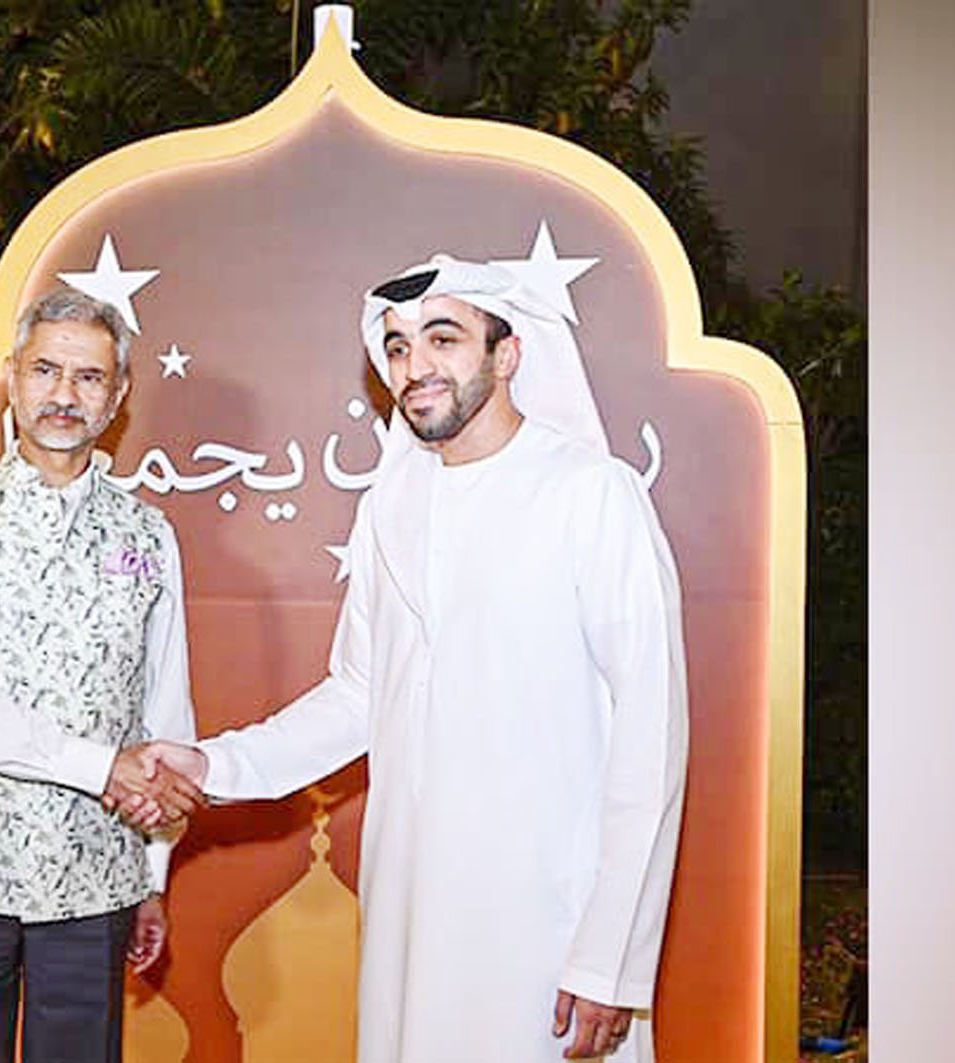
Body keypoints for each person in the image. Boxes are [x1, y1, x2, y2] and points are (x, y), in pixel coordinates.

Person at [128, 256, 689, 1062]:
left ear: (507, 354)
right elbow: (360, 693)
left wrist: (608, 956)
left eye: (442, 339)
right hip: (411, 910)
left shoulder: (591, 493)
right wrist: (214, 764)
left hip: (546, 917)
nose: (414, 365)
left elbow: (650, 732)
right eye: (395, 346)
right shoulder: (390, 503)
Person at [0, 286, 203, 1063]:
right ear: (12, 377)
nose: (64, 394)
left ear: (118, 396)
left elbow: (164, 708)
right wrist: (99, 766)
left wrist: (151, 870)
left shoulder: (147, 534)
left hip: (93, 876)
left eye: (89, 377)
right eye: (45, 370)